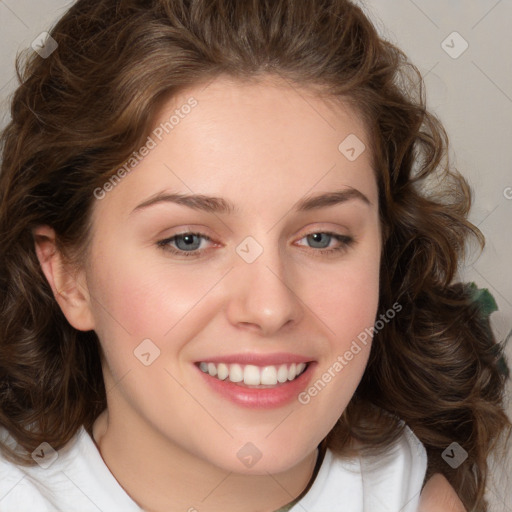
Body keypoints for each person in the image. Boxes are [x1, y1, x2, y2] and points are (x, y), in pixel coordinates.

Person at [0, 1, 509, 511]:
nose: (269, 308)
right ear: (69, 275)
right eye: (188, 240)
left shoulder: (420, 489)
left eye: (321, 238)